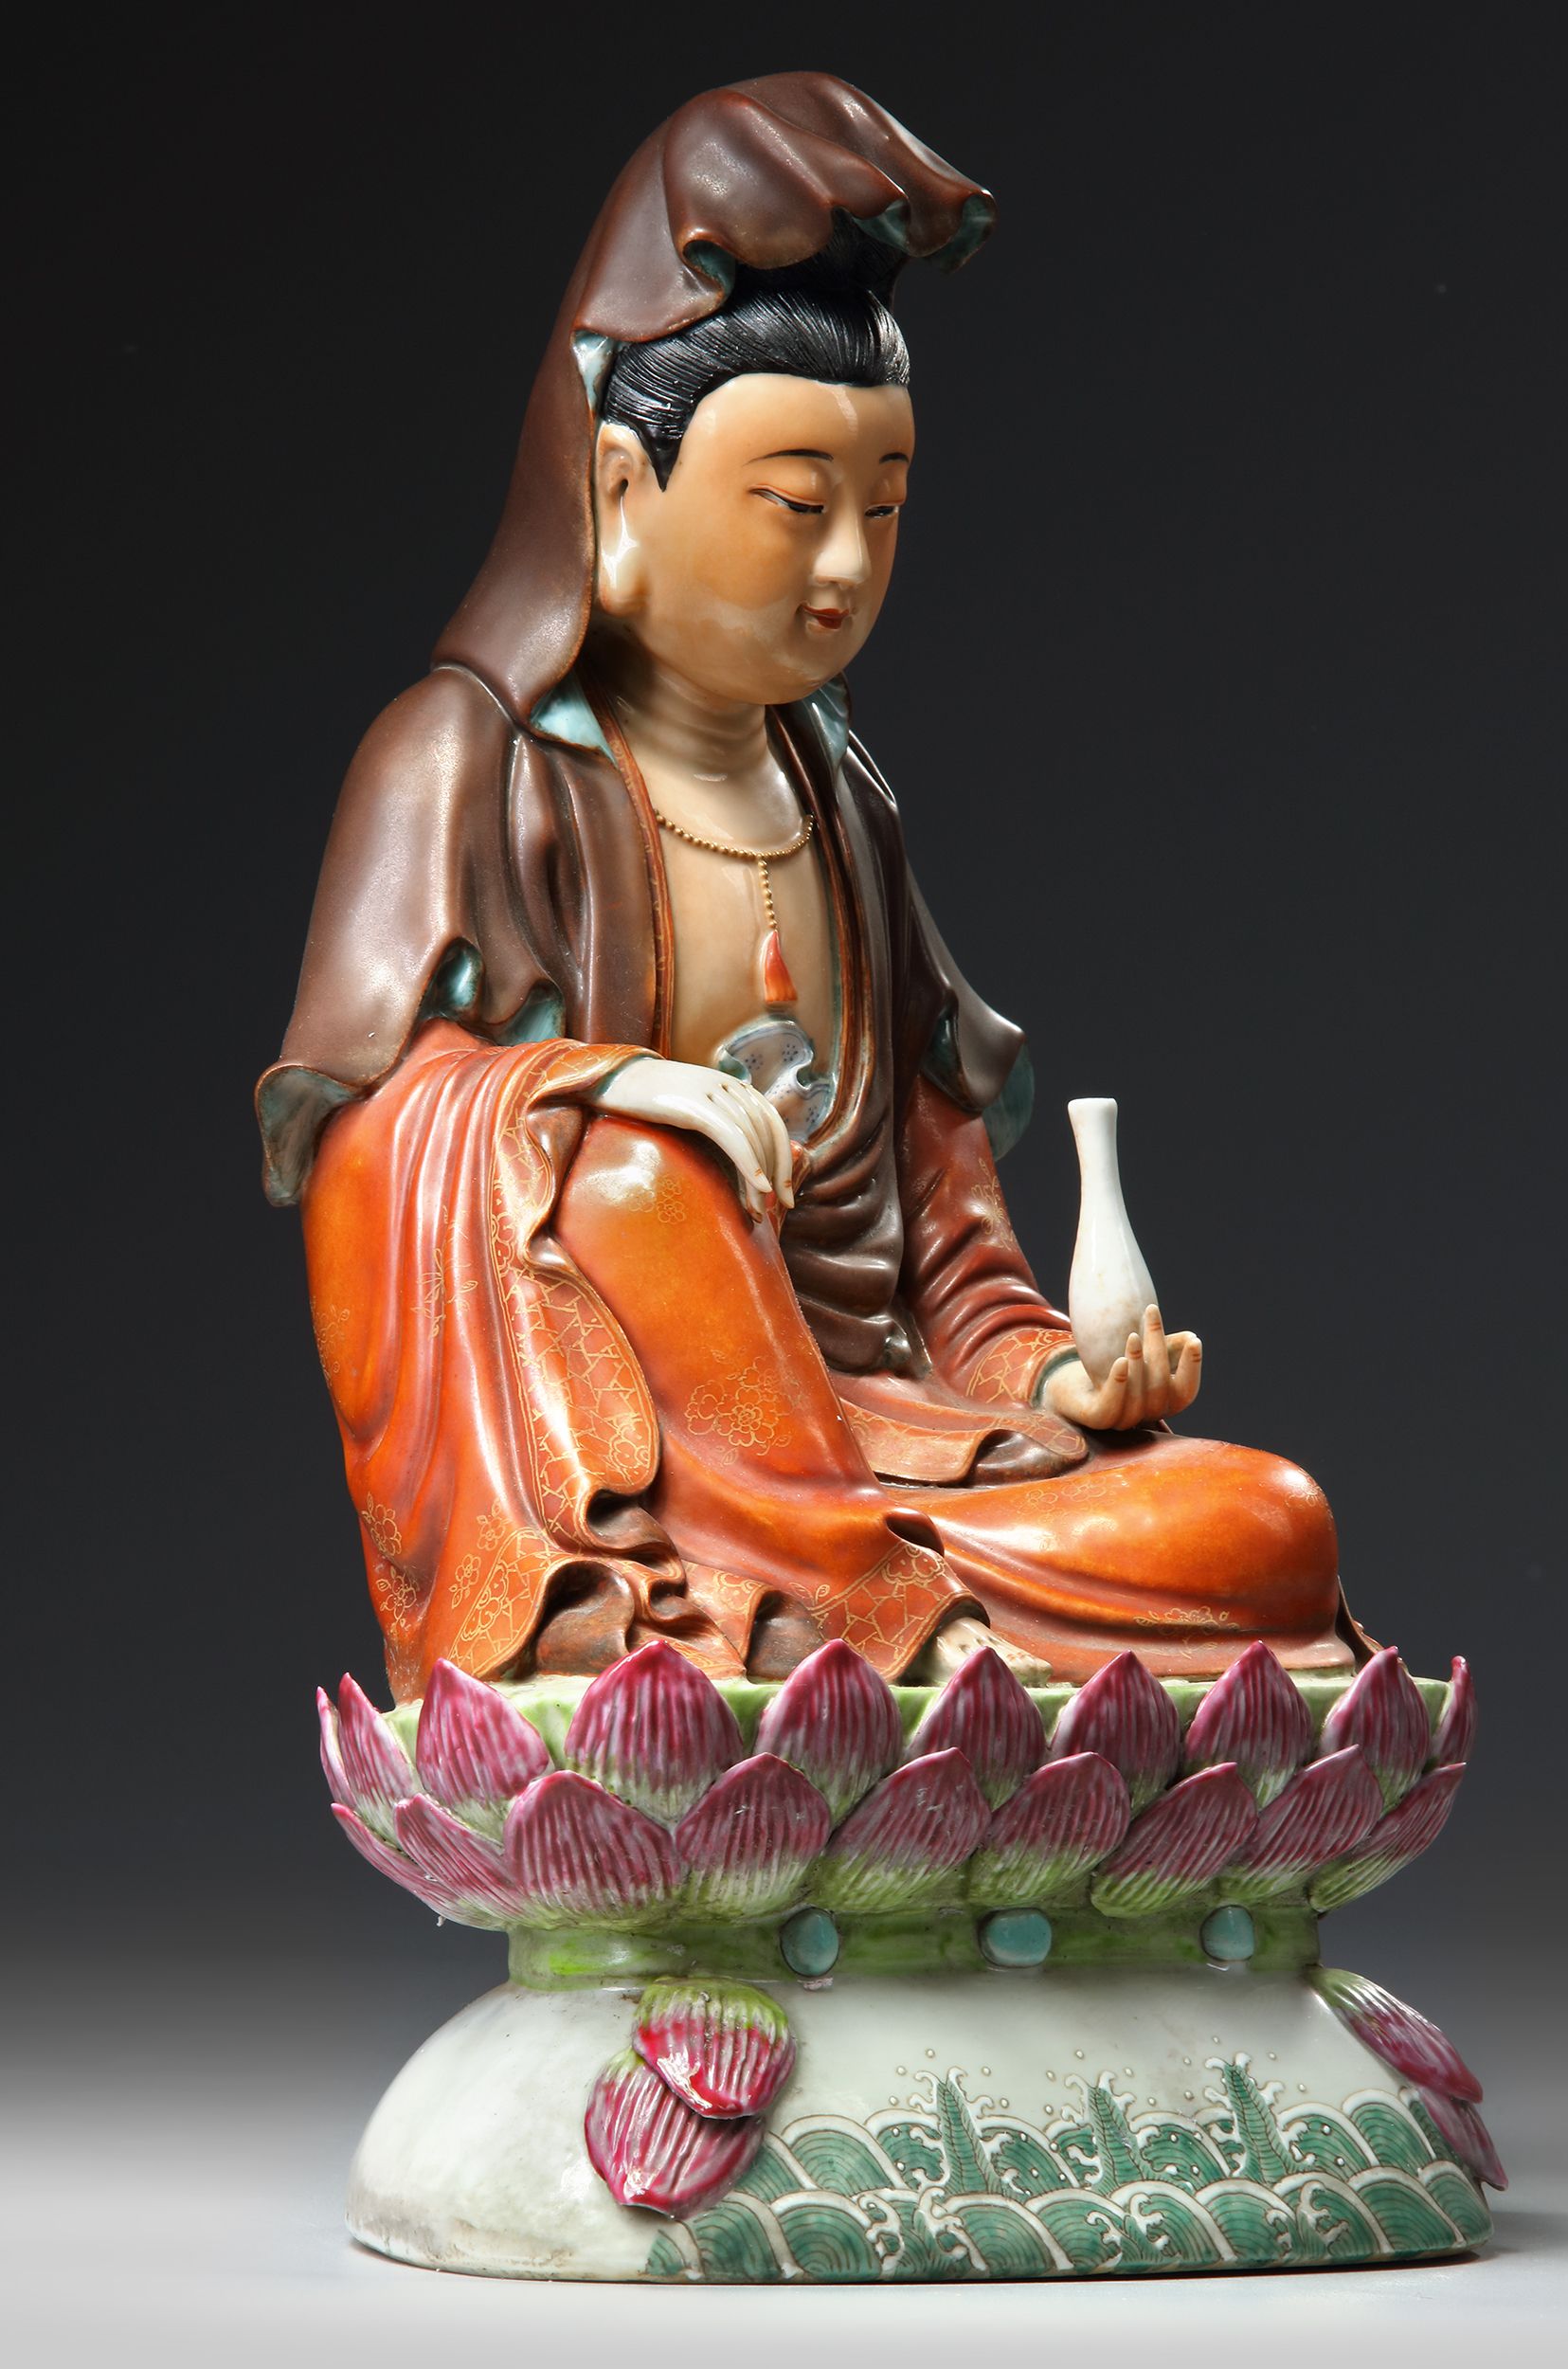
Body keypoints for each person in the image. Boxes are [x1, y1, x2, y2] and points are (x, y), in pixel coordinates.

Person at [259, 73, 1358, 1699]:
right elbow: (365, 1151)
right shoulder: (469, 765)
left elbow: (949, 1261)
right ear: (616, 494)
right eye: (791, 504)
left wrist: (1056, 1381)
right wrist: (600, 1101)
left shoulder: (843, 805)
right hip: (647, 1473)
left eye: (884, 509)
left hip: (887, 1445)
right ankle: (847, 1617)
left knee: (1268, 1527)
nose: (844, 565)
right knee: (629, 1180)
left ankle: (870, 1620)